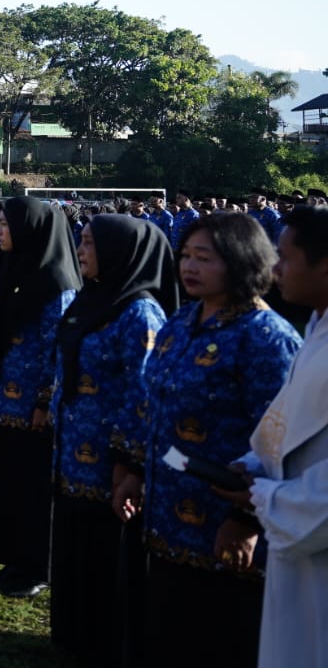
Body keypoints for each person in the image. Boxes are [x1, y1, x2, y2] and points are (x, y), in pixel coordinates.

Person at [122, 212, 300, 668]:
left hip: (225, 532)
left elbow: (281, 444)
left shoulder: (265, 338)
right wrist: (135, 471)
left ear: (242, 262)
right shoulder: (182, 321)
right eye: (186, 255)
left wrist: (245, 522)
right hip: (166, 517)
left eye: (205, 258)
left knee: (218, 638)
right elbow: (154, 403)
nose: (189, 267)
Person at [47, 214, 176, 665]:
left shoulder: (139, 312)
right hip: (72, 453)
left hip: (111, 464)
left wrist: (128, 464)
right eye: (80, 242)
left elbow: (142, 397)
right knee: (74, 542)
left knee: (107, 552)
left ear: (119, 253)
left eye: (89, 244)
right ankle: (73, 631)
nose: (80, 251)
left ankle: (103, 641)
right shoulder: (91, 298)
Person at [223, 206, 328, 668]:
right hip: (295, 529)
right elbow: (287, 421)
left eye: (285, 256)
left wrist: (268, 497)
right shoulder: (317, 327)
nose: (275, 269)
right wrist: (253, 466)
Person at [0, 196, 80, 598]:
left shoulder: (55, 282)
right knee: (10, 483)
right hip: (7, 399)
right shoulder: (15, 271)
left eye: (5, 225)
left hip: (34, 408)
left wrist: (43, 401)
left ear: (29, 230)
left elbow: (59, 352)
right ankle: (14, 559)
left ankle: (38, 566)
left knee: (34, 488)